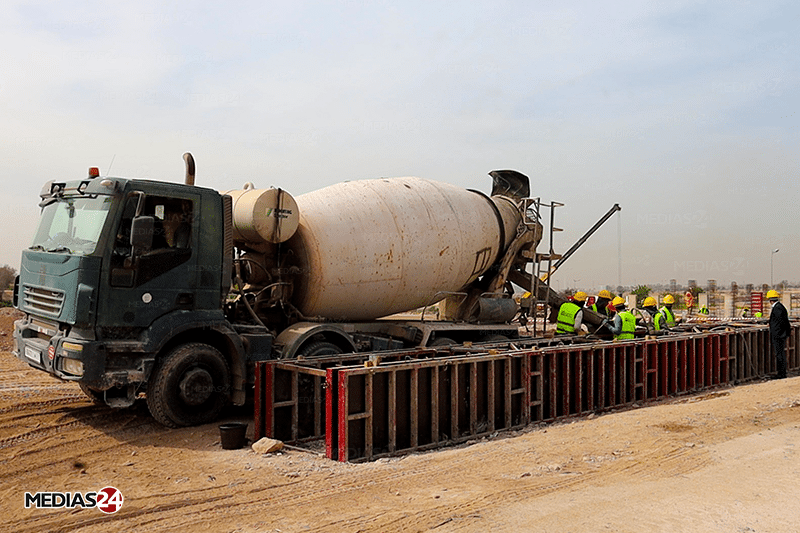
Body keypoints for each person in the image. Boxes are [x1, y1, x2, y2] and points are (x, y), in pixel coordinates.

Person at [767, 290, 791, 379]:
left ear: (770, 300)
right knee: (780, 353)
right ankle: (781, 373)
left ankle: (781, 374)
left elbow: (780, 322)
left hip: (778, 335)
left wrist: (777, 332)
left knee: (779, 354)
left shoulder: (777, 308)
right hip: (781, 334)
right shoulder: (780, 307)